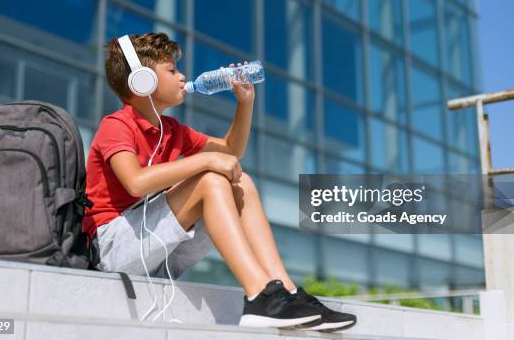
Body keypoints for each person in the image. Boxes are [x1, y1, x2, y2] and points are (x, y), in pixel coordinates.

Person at [82, 32, 356, 331]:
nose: (183, 76)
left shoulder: (172, 129)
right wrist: (204, 161)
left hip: (157, 250)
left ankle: (285, 291)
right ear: (142, 81)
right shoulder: (117, 125)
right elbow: (135, 183)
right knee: (211, 179)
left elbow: (231, 151)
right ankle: (259, 294)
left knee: (241, 183)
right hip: (113, 250)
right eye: (172, 70)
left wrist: (245, 103)